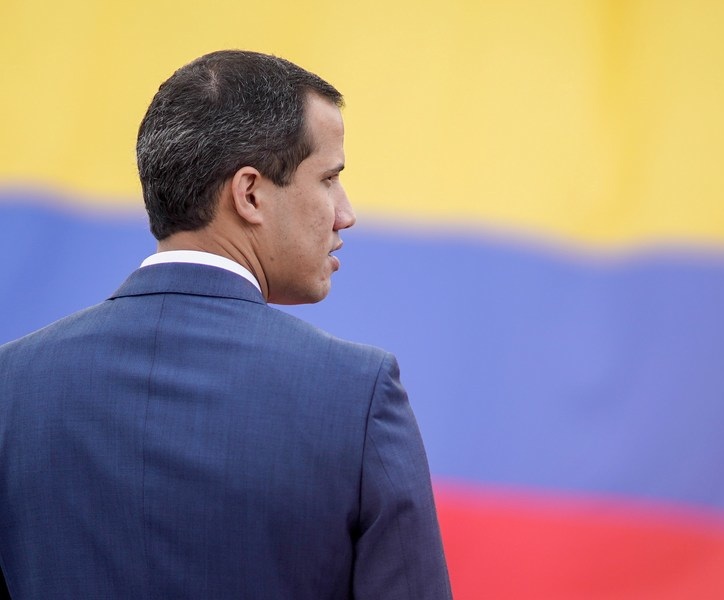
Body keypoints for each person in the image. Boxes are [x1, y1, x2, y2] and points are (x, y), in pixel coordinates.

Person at [0, 50, 452, 599]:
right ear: (250, 193)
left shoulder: (12, 386)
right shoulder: (357, 393)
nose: (346, 213)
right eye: (329, 178)